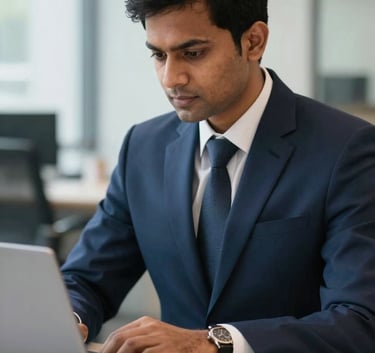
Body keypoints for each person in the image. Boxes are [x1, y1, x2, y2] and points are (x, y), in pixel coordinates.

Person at [61, 0, 375, 352]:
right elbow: (86, 279)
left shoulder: (347, 149)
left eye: (192, 53)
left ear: (254, 42)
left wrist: (214, 343)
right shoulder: (143, 147)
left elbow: (360, 320)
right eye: (159, 55)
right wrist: (66, 322)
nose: (171, 78)